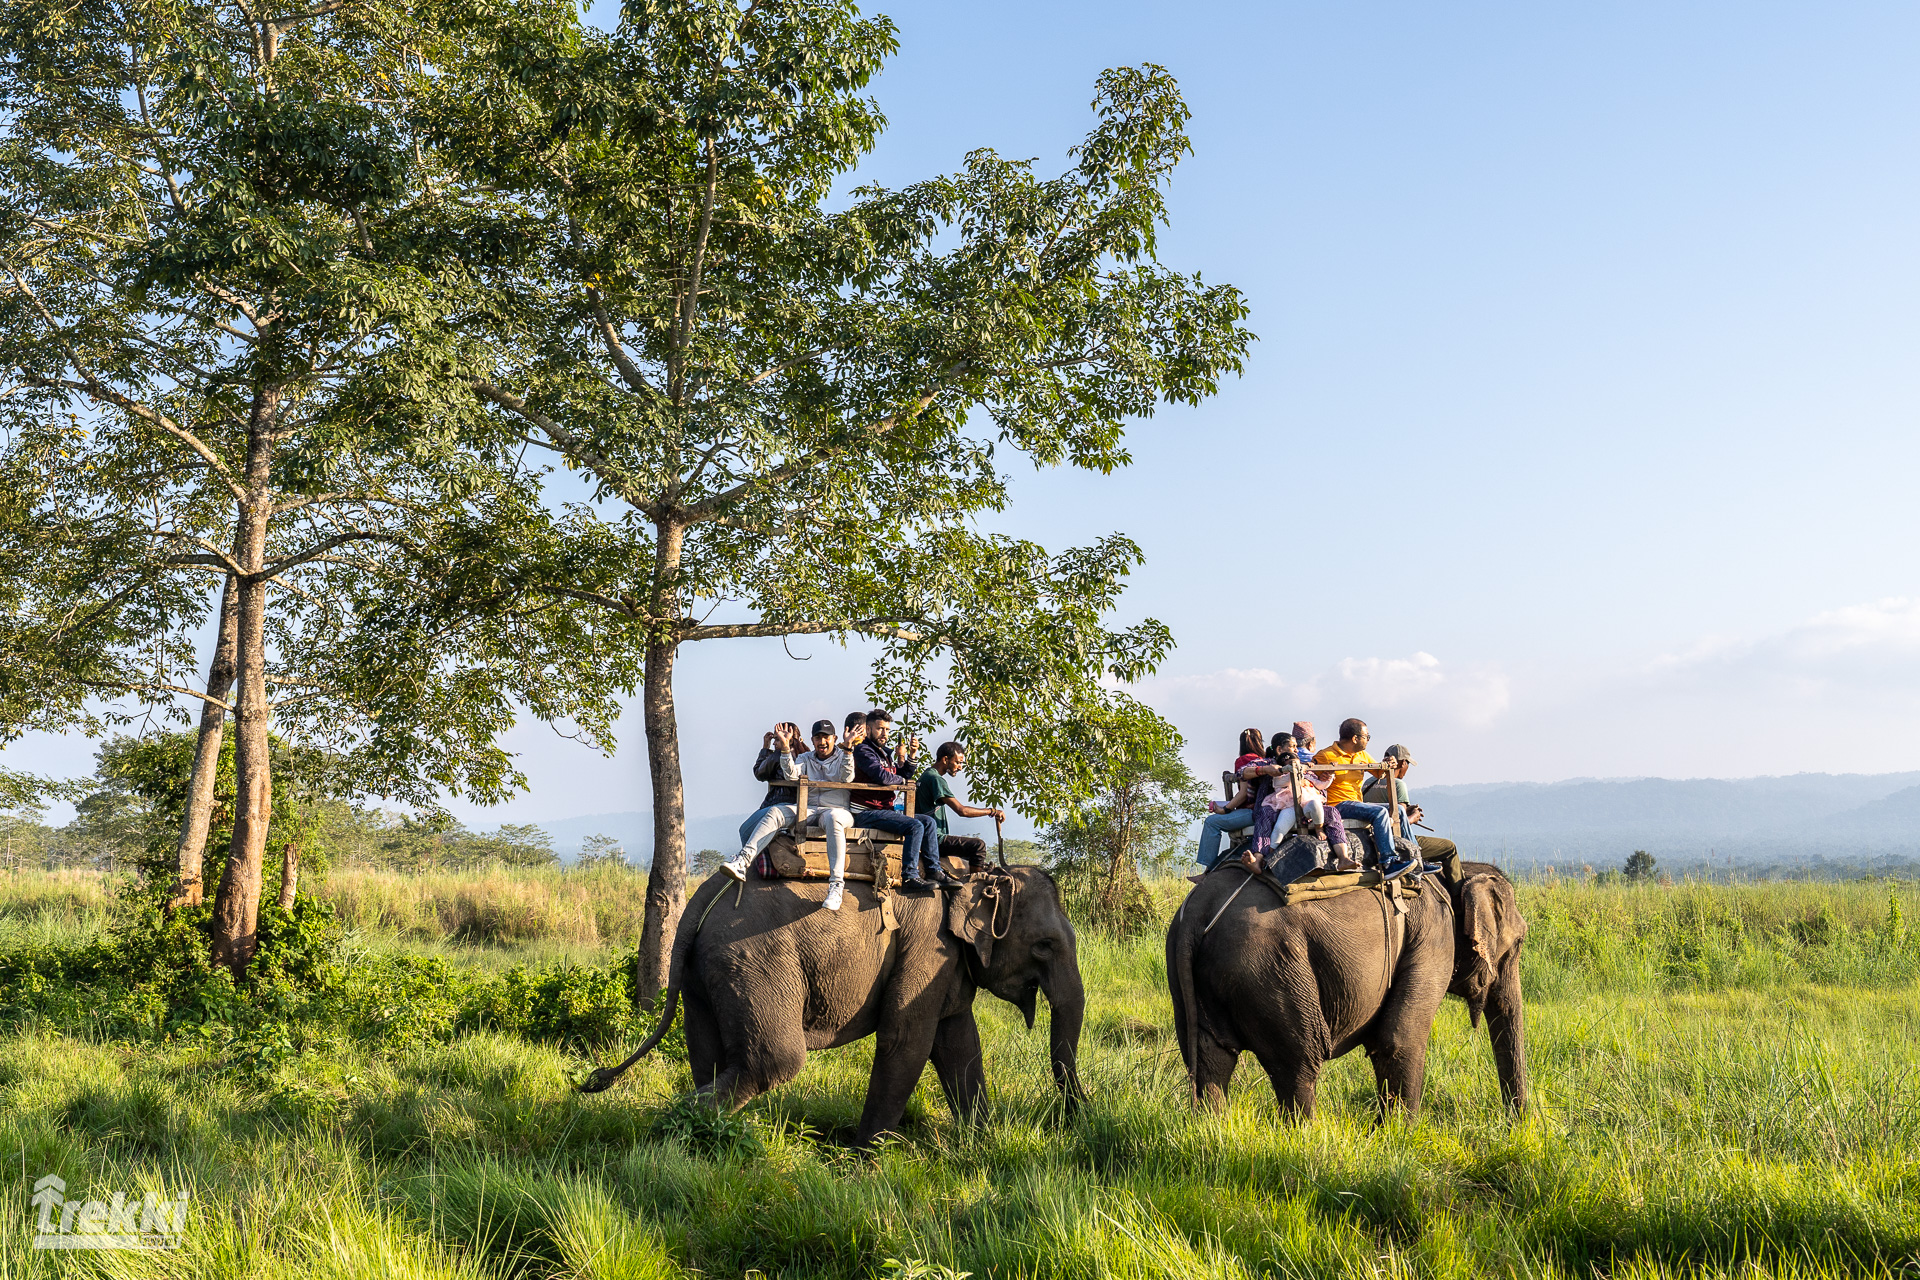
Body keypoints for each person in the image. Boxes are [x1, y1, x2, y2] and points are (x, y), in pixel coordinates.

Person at [724, 718, 854, 910]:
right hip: (808, 809)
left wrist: (849, 749)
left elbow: (847, 777)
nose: (822, 742)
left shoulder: (844, 756)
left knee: (833, 819)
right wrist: (785, 748)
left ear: (834, 738)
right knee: (776, 812)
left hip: (837, 810)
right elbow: (792, 775)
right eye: (818, 738)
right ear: (812, 739)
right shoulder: (806, 758)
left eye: (826, 737)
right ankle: (743, 860)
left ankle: (836, 885)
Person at [851, 709, 952, 889]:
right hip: (866, 812)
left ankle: (933, 870)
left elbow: (902, 773)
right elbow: (882, 777)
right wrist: (903, 781)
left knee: (928, 822)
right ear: (868, 729)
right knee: (914, 825)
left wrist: (912, 754)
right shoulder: (863, 750)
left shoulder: (883, 753)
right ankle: (909, 876)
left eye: (887, 730)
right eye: (880, 729)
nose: (885, 734)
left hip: (883, 810)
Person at [1313, 718, 1415, 874]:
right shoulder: (1326, 755)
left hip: (1356, 803)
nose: (1368, 740)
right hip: (1338, 805)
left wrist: (1388, 764)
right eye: (1366, 736)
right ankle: (1388, 861)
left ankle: (1415, 856)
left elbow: (1379, 773)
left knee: (1399, 810)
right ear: (1355, 738)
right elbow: (1309, 778)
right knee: (1380, 812)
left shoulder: (1362, 755)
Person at [915, 741, 1004, 873]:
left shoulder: (927, 774)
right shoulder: (936, 779)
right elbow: (962, 811)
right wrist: (991, 811)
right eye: (958, 762)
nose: (960, 767)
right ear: (945, 759)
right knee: (978, 846)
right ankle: (976, 884)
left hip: (927, 835)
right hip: (935, 838)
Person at [729, 721, 804, 875]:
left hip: (779, 803)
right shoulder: (805, 754)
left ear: (787, 738)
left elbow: (759, 773)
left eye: (776, 739)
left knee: (745, 830)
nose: (775, 743)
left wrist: (765, 748)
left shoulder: (778, 755)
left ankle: (747, 867)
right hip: (797, 806)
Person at [1362, 744, 1453, 869]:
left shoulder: (1368, 782)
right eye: (1408, 764)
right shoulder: (1399, 784)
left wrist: (1406, 811)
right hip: (1391, 839)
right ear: (1403, 763)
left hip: (1367, 836)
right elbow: (1397, 822)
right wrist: (1413, 818)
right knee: (1449, 847)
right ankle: (1418, 860)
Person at [1196, 729, 1265, 868]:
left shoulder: (1244, 761)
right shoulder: (1266, 760)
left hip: (1253, 812)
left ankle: (1208, 869)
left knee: (1211, 822)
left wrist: (1225, 809)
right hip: (1268, 809)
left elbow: (1244, 794)